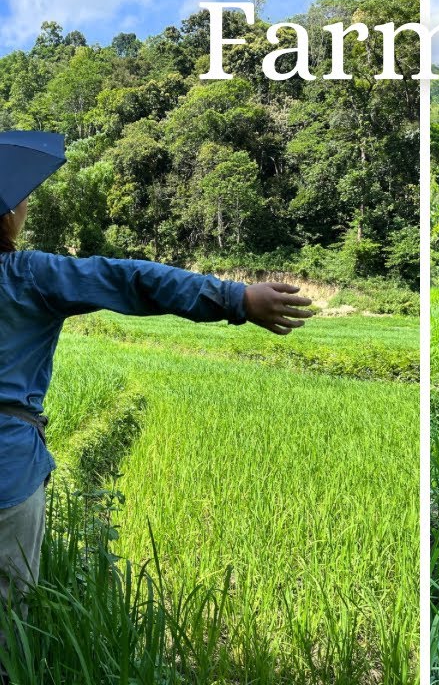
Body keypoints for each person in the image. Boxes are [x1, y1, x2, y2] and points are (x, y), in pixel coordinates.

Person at [0, 194, 314, 633]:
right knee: (8, 621)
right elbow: (129, 279)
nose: (25, 207)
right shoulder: (26, 274)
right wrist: (236, 298)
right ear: (7, 214)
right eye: (21, 201)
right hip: (8, 470)